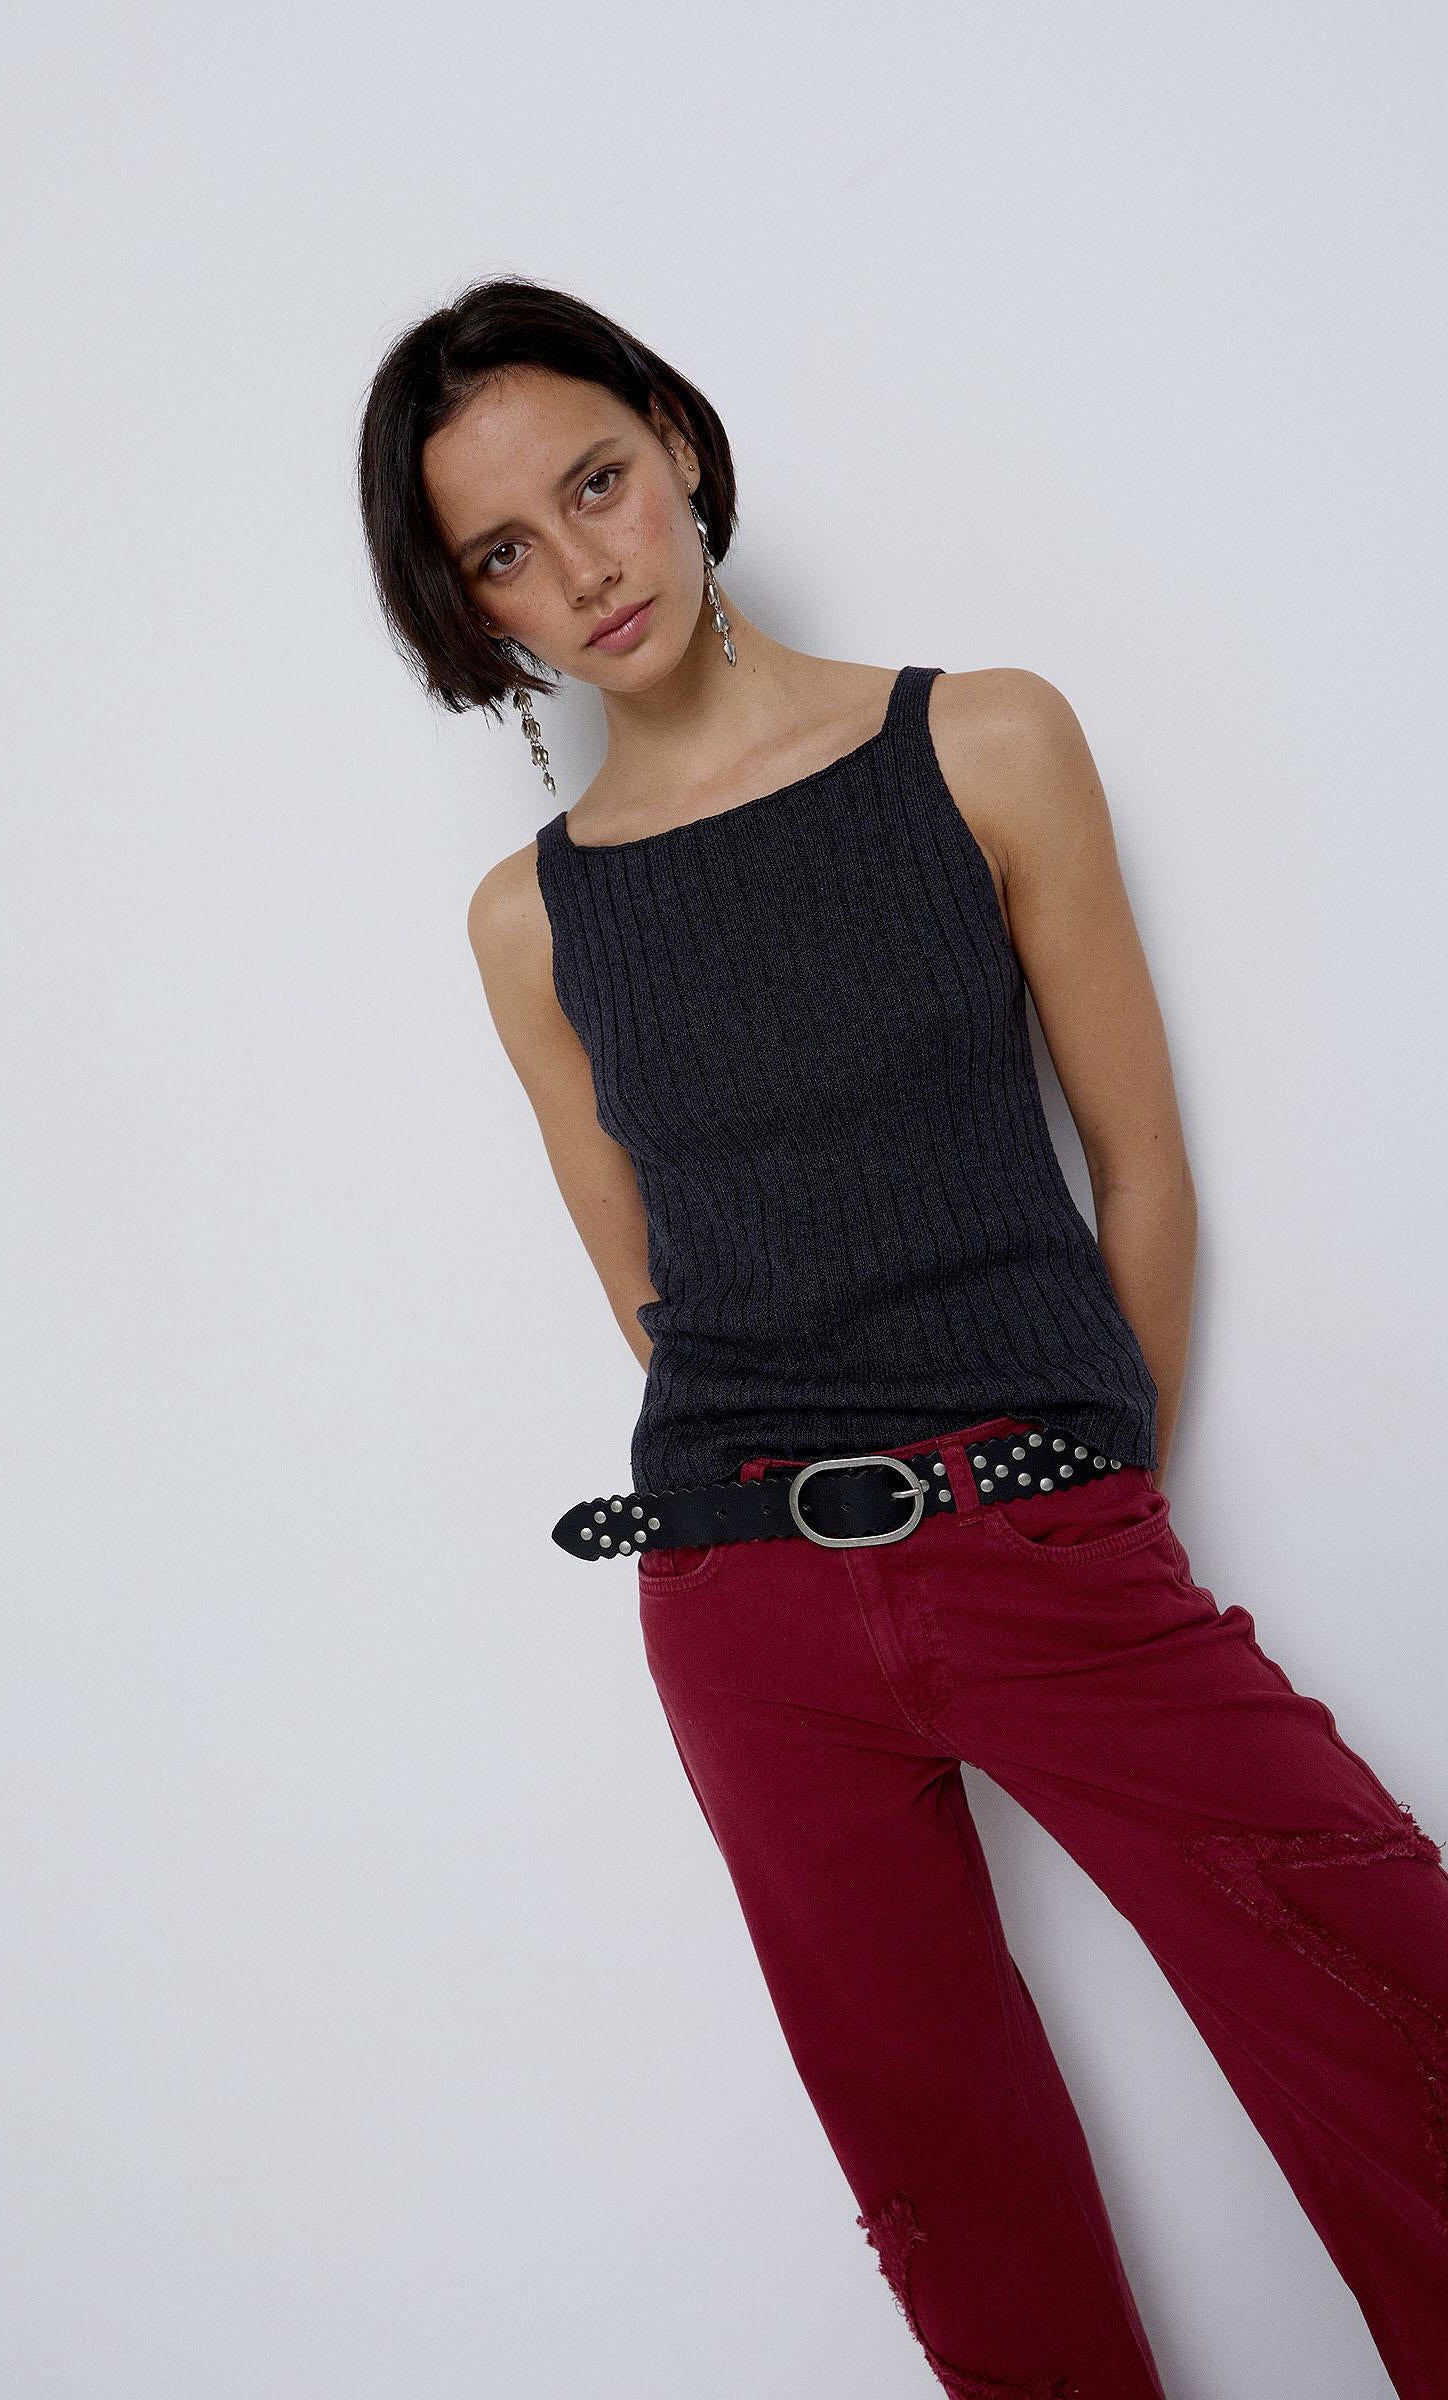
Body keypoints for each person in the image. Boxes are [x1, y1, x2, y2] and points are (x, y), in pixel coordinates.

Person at [354, 273, 1448, 2398]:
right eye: (502, 551)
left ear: (679, 443)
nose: (580, 567)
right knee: (959, 2197)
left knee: (1391, 2014)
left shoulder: (984, 741)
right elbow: (654, 1301)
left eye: (597, 482)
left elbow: (1142, 1168)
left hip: (1047, 1535)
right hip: (746, 1607)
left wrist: (1086, 1502)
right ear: (467, 605)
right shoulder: (532, 923)